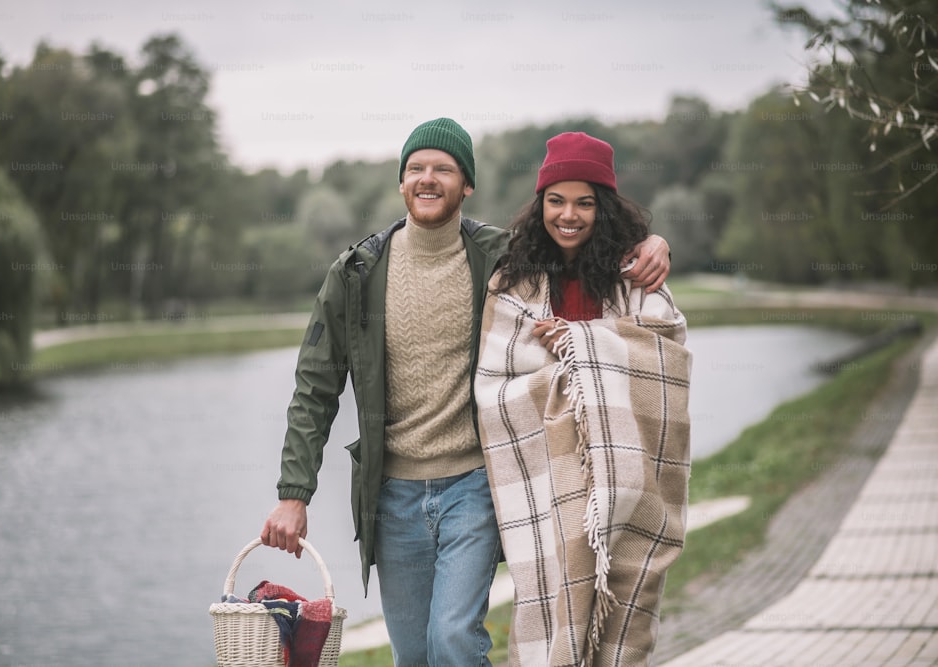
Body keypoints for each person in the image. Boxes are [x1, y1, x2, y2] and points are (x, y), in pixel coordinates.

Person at [260, 119, 672, 667]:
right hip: (391, 497)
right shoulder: (356, 273)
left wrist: (651, 242)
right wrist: (294, 492)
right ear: (401, 182)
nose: (428, 179)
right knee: (412, 656)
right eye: (417, 169)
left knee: (452, 642)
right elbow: (314, 390)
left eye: (444, 169)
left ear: (467, 184)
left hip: (476, 485)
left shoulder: (502, 257)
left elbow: (578, 240)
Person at [474, 132, 692, 666]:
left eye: (584, 202)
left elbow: (666, 356)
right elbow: (495, 388)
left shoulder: (634, 275)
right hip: (552, 480)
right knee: (552, 601)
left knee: (625, 608)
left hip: (627, 476)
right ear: (540, 203)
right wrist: (572, 360)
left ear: (604, 207)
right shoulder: (514, 281)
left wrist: (579, 343)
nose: (568, 214)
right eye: (556, 200)